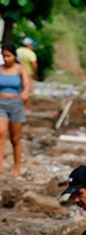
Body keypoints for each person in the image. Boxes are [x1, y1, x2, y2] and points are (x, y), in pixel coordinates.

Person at [0, 44, 29, 177]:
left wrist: (25, 93)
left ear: (14, 56)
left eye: (8, 56)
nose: (6, 59)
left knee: (15, 139)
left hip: (16, 104)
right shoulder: (0, 69)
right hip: (1, 104)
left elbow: (27, 85)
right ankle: (0, 164)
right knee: (1, 132)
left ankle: (17, 168)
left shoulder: (20, 69)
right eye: (4, 56)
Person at [16, 38, 37, 113]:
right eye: (32, 45)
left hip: (17, 73)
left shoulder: (18, 51)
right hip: (28, 74)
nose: (33, 47)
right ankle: (26, 108)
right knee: (27, 91)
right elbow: (34, 65)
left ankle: (17, 107)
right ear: (28, 45)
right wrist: (35, 73)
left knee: (18, 90)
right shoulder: (31, 53)